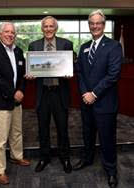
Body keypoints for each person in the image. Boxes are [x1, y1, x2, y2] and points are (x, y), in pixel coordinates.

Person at [73, 10, 122, 188]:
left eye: (98, 23)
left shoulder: (114, 46)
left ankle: (111, 170)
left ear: (104, 24)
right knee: (87, 134)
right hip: (86, 102)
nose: (95, 26)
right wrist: (86, 93)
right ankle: (87, 159)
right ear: (89, 25)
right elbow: (80, 73)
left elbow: (113, 75)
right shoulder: (84, 46)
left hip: (105, 102)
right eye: (92, 23)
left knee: (107, 138)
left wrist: (94, 94)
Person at [0, 22, 30, 185]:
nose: (10, 35)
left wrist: (21, 91)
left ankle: (16, 156)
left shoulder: (18, 51)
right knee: (1, 139)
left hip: (17, 100)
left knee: (16, 132)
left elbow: (23, 73)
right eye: (7, 32)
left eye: (13, 32)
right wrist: (13, 93)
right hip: (1, 101)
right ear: (0, 34)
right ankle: (0, 170)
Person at [26, 16, 73, 173]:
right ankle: (44, 157)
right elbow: (31, 67)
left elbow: (73, 62)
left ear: (56, 28)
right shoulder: (34, 46)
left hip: (60, 93)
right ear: (42, 29)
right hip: (43, 94)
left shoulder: (66, 44)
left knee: (62, 128)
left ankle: (65, 157)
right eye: (45, 26)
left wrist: (69, 71)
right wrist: (30, 74)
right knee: (42, 128)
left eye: (51, 26)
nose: (48, 29)